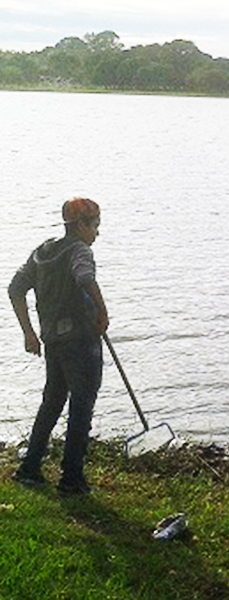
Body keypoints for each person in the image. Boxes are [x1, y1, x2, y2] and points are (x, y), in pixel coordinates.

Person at [9, 198, 108, 495]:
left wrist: (29, 334)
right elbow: (85, 278)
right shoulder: (80, 251)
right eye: (95, 226)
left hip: (53, 340)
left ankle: (29, 469)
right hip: (80, 341)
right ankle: (72, 479)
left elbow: (15, 289)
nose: (97, 233)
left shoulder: (43, 252)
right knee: (81, 406)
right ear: (80, 226)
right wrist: (102, 312)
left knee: (52, 402)